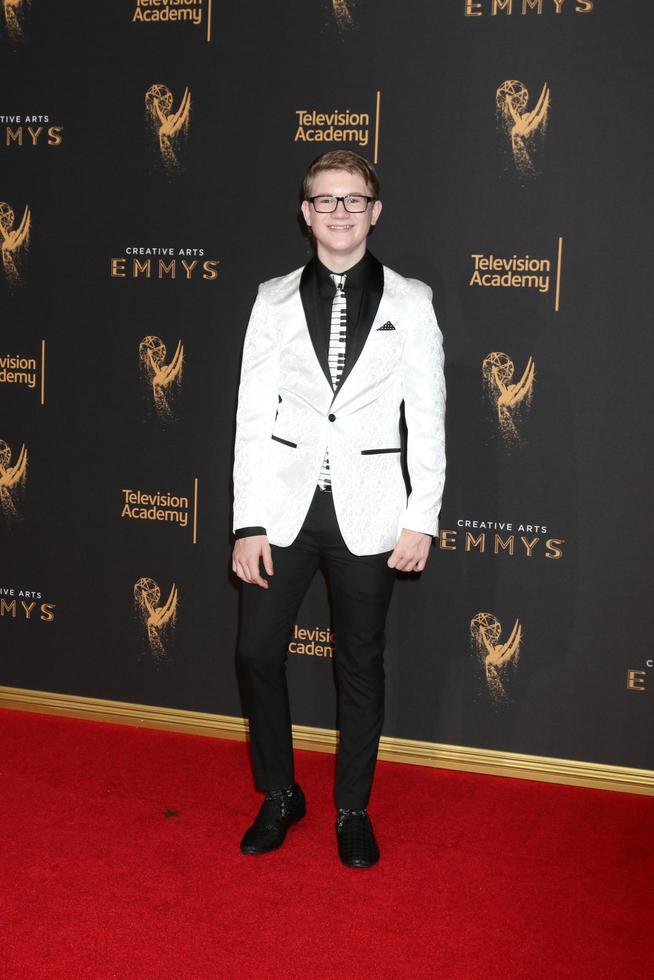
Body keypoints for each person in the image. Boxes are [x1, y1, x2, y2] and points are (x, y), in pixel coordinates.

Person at [232, 149, 446, 868]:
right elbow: (252, 415)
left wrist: (422, 515)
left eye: (353, 200)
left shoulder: (412, 302)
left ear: (374, 212)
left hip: (372, 510)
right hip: (285, 508)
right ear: (306, 212)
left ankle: (351, 808)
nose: (339, 213)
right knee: (256, 650)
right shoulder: (271, 299)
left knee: (359, 663)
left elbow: (429, 416)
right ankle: (281, 794)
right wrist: (246, 520)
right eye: (325, 200)